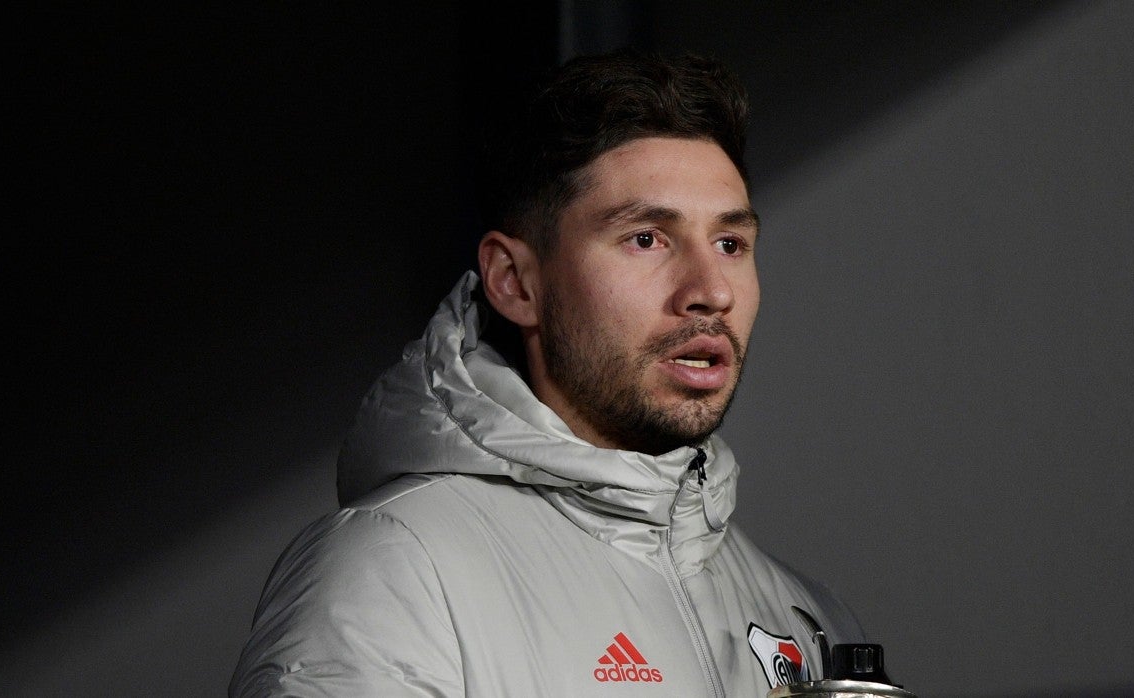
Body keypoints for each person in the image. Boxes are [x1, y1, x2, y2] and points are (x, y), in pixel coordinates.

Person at [230, 50, 865, 697]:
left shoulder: (809, 620)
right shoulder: (392, 570)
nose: (710, 290)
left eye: (730, 244)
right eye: (646, 238)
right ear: (515, 282)